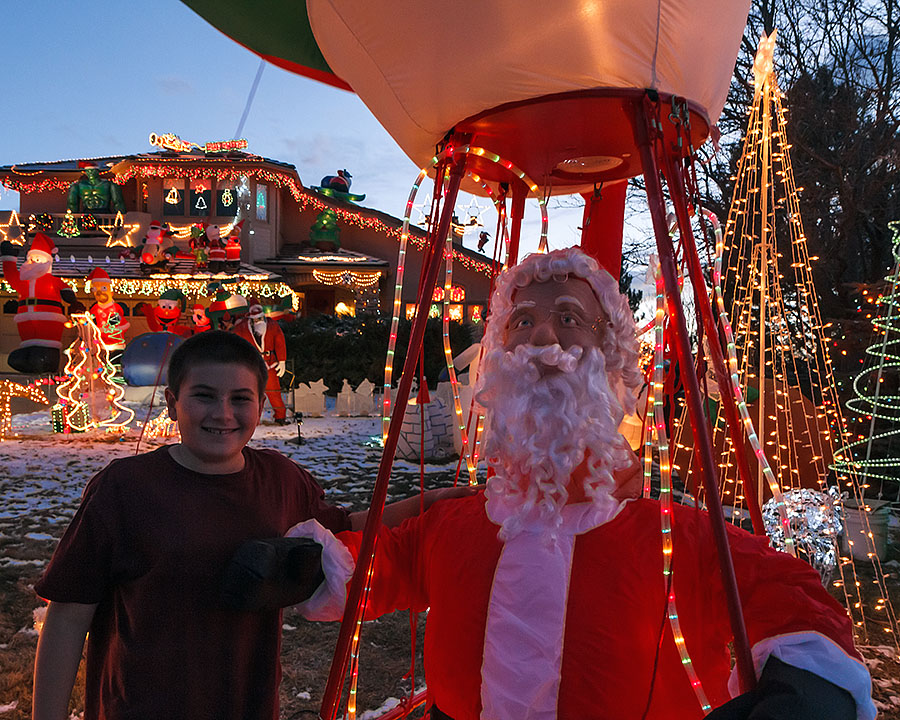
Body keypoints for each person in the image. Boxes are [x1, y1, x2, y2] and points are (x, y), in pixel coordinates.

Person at [288, 247, 873, 720]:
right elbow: (380, 565)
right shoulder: (453, 525)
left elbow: (786, 595)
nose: (544, 338)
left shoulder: (678, 539)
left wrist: (806, 682)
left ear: (612, 361)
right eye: (523, 321)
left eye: (569, 317)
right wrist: (305, 566)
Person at [31, 330, 457, 720]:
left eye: (240, 398)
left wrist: (431, 501)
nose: (224, 413)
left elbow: (346, 526)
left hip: (247, 705)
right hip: (141, 705)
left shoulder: (279, 479)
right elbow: (68, 615)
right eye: (203, 396)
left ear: (260, 402)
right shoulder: (125, 489)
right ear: (171, 400)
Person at [1, 233, 83, 374]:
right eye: (31, 259)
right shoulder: (23, 281)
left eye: (37, 259)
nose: (33, 262)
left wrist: (73, 301)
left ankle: (48, 361)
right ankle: (30, 358)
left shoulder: (53, 281)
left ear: (47, 262)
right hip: (26, 328)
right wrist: (9, 257)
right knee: (18, 359)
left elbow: (67, 292)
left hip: (48, 324)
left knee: (43, 356)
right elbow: (11, 276)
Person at [233, 297, 289, 424]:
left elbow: (280, 342)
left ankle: (280, 416)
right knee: (251, 394)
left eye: (260, 318)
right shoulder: (242, 328)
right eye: (256, 319)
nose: (259, 321)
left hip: (270, 364)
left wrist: (282, 361)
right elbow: (234, 343)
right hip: (251, 366)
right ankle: (252, 418)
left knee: (274, 392)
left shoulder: (272, 325)